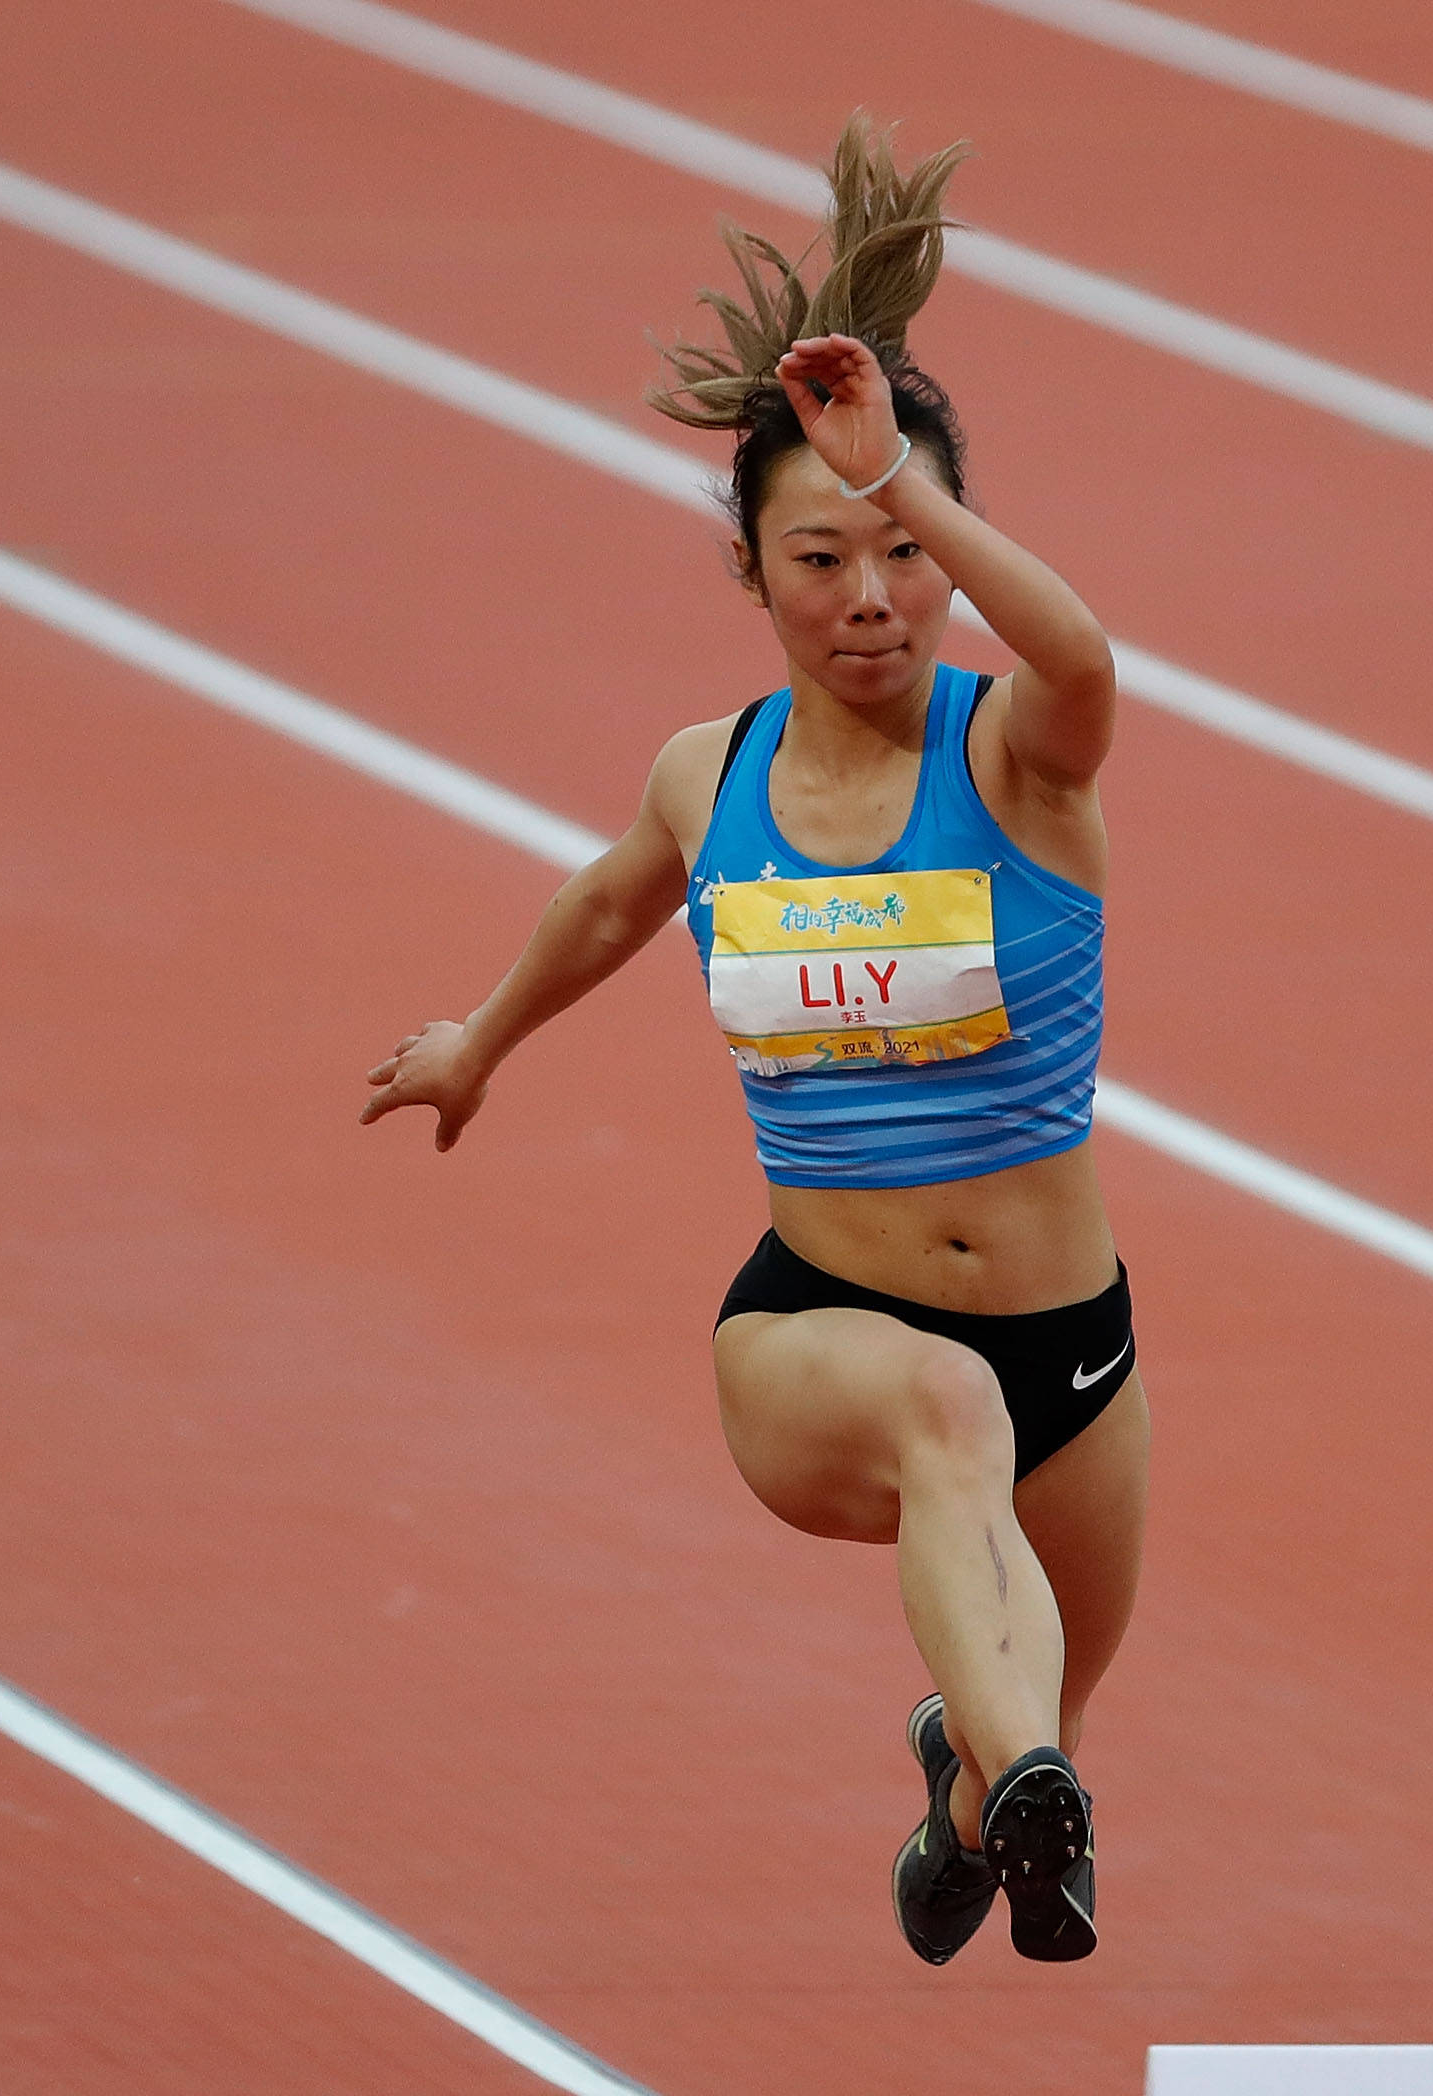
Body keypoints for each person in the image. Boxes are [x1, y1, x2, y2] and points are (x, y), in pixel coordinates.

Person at [361, 119, 1144, 1966]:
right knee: (945, 1426)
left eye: (899, 554)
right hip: (815, 1327)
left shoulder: (1018, 758)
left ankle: (977, 1807)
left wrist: (907, 484)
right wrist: (481, 1037)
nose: (867, 596)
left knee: (1041, 1703)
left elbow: (1095, 659)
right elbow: (615, 899)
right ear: (752, 570)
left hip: (1073, 1338)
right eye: (820, 556)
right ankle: (1022, 1789)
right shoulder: (709, 780)